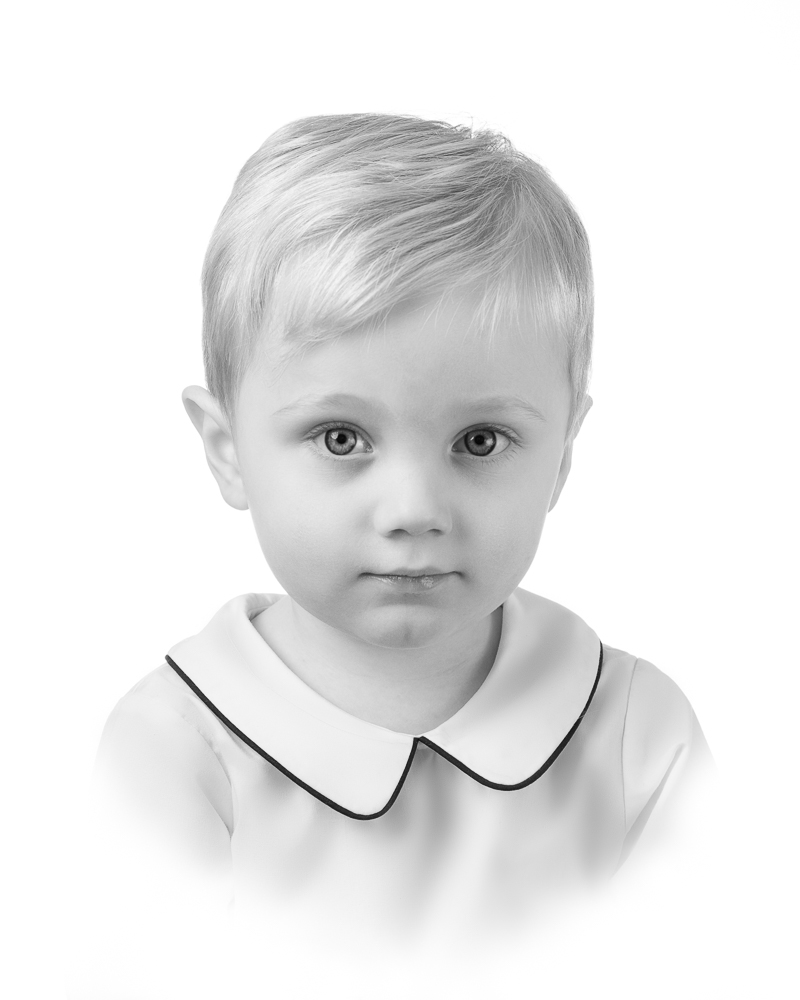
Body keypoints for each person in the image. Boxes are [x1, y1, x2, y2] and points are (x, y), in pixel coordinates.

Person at [92, 114, 712, 955]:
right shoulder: (174, 748)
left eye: (480, 442)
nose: (415, 508)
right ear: (227, 450)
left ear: (563, 456)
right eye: (341, 438)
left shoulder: (640, 734)